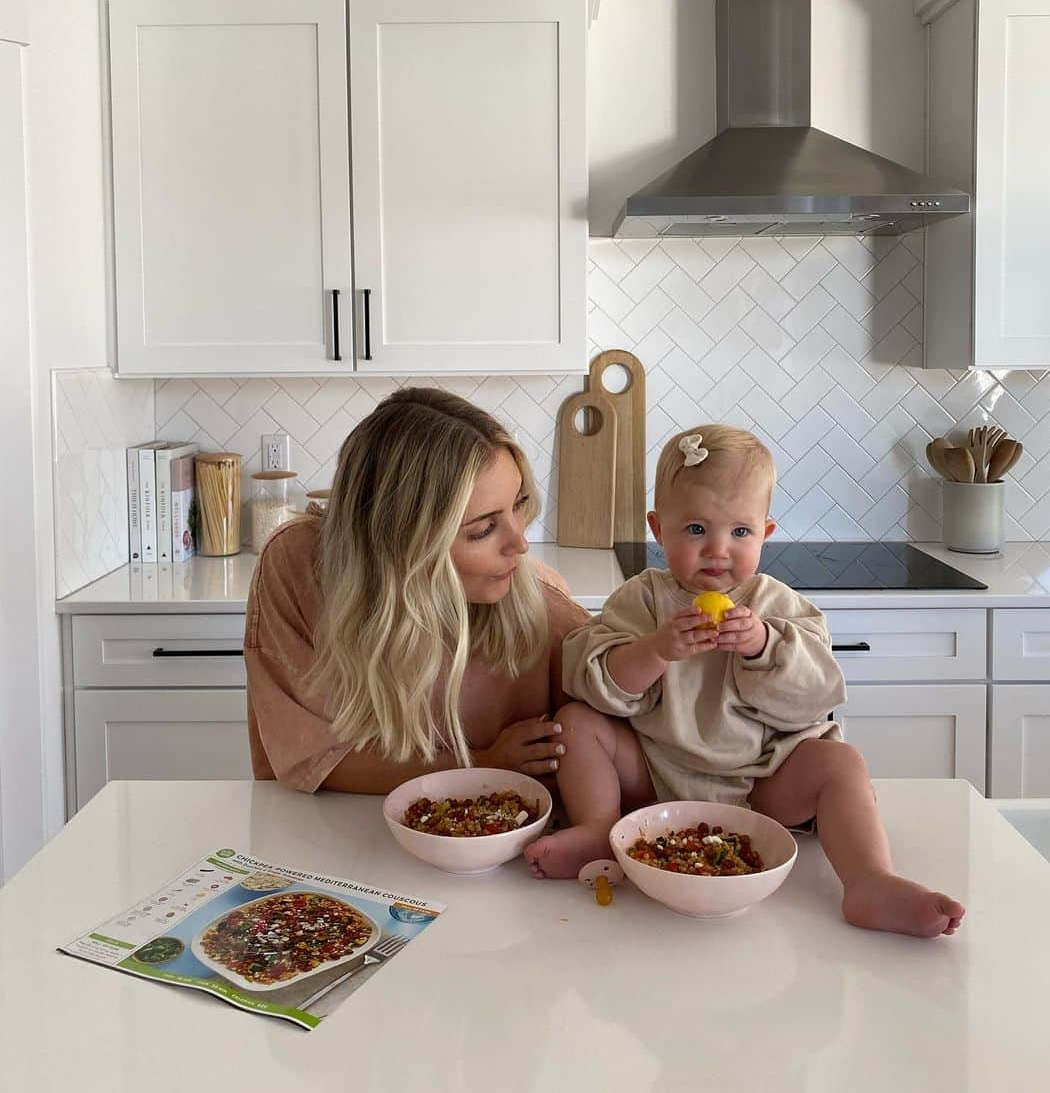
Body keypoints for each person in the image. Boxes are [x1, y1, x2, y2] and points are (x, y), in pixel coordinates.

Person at [526, 424, 966, 939]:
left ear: (766, 533)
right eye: (695, 530)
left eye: (739, 532)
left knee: (840, 762)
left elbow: (818, 696)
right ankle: (602, 830)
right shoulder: (640, 599)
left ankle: (869, 881)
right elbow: (590, 681)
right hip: (654, 776)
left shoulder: (778, 604)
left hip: (762, 784)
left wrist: (763, 646)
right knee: (576, 722)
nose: (718, 550)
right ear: (657, 528)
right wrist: (655, 650)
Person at [244, 388, 587, 794]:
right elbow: (314, 759)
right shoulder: (299, 568)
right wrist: (482, 764)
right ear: (402, 544)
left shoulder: (546, 610)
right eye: (483, 529)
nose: (521, 545)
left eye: (520, 504)